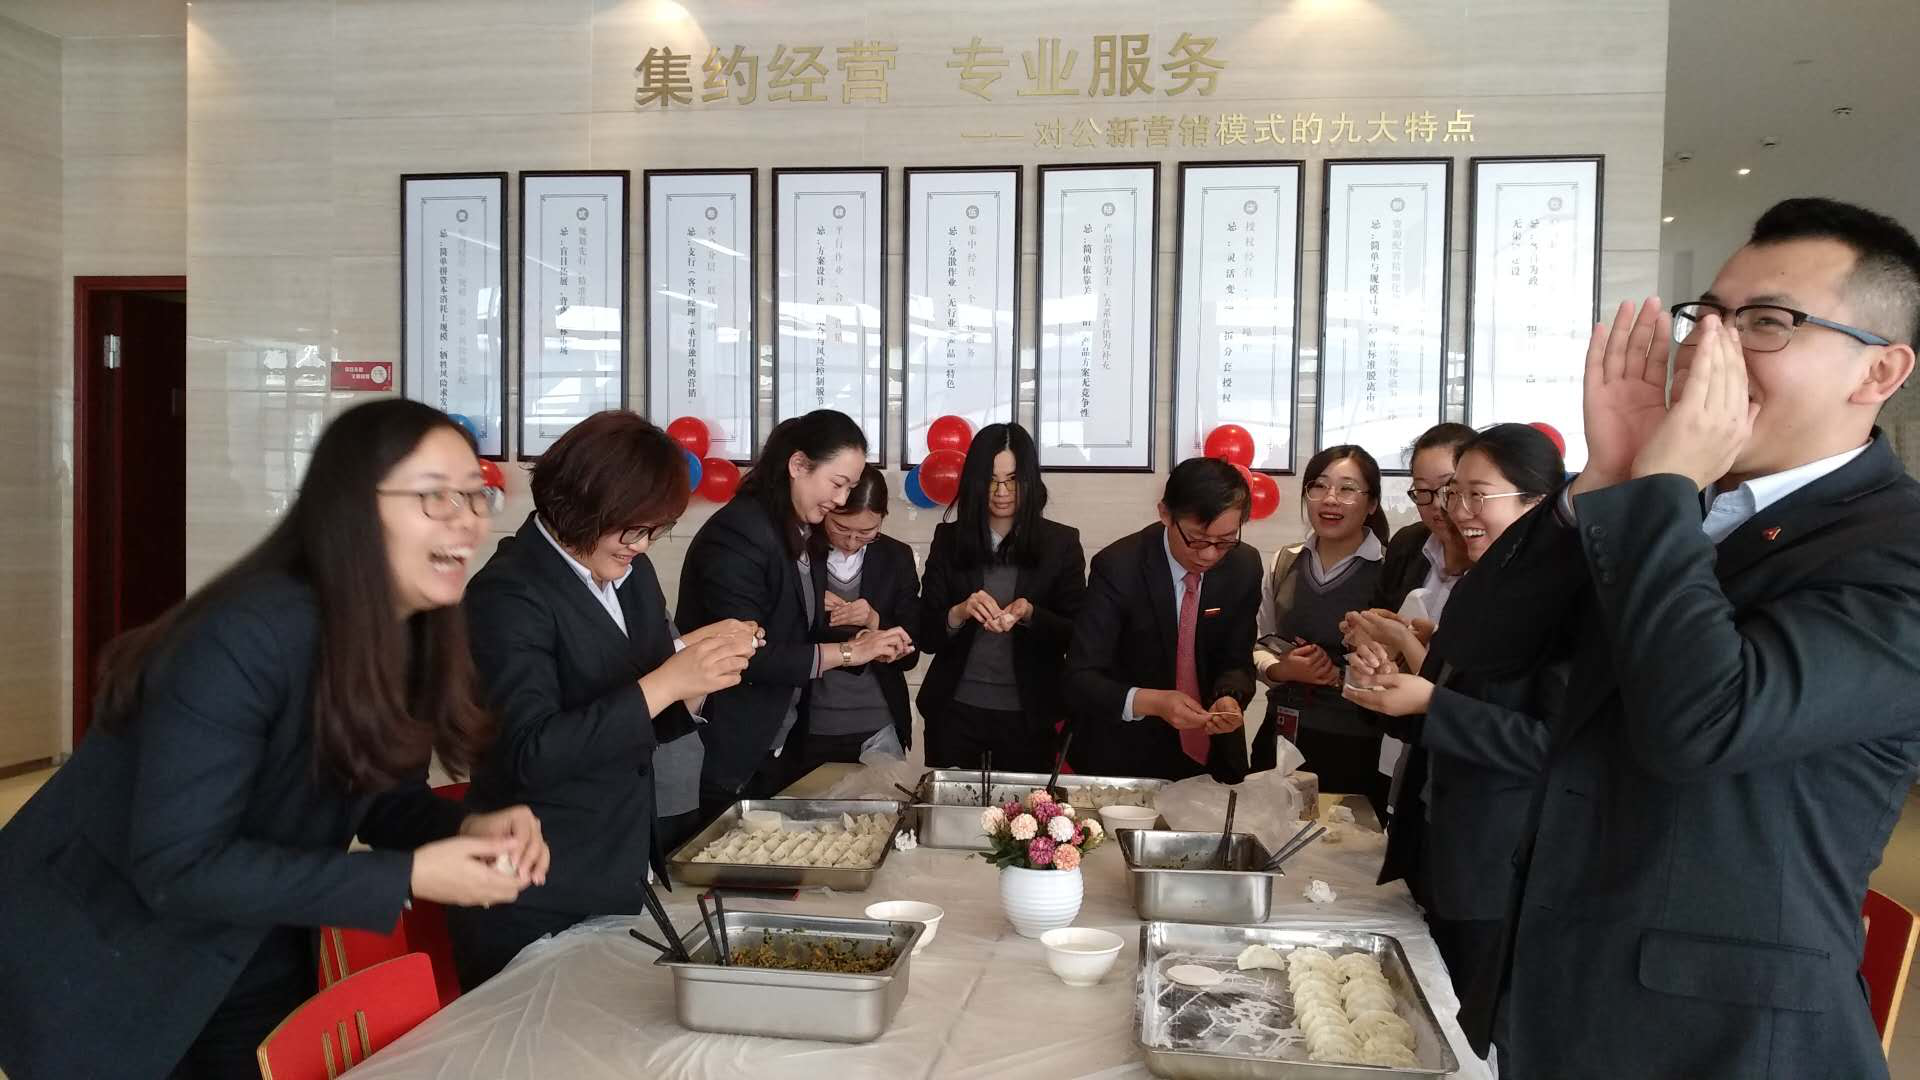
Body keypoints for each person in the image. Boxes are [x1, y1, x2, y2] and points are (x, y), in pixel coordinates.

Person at [1437, 198, 1920, 1077]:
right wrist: (1605, 477)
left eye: (1767, 323)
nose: (1709, 350)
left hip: (1723, 1041)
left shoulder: (1896, 545)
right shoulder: (1675, 505)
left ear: (1878, 370)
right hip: (1561, 999)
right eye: (1709, 318)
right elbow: (1477, 645)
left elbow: (1703, 724)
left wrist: (1655, 492)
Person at [0, 400, 550, 1080]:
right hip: (107, 952)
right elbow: (178, 866)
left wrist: (468, 827)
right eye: (435, 496)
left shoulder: (405, 635)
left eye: (475, 495)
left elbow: (381, 801)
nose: (467, 520)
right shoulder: (244, 636)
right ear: (352, 509)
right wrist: (410, 876)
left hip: (251, 936)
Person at [449, 411, 760, 991]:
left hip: (617, 870)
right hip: (535, 889)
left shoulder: (630, 574)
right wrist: (669, 680)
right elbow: (530, 752)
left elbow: (640, 710)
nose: (641, 546)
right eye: (632, 530)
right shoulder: (509, 592)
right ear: (579, 503)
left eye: (655, 531)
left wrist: (698, 674)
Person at [1340, 423, 1568, 1017]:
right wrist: (1386, 687)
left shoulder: (1571, 601)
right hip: (1435, 848)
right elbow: (1439, 708)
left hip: (1502, 867)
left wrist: (1430, 703)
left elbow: (1558, 746)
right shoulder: (1479, 585)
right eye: (1450, 494)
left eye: (1476, 495)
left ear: (1537, 501)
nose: (1456, 511)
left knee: (1472, 1029)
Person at [678, 410, 913, 821]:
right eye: (837, 484)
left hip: (776, 741)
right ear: (798, 465)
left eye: (850, 488)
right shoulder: (740, 533)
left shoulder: (797, 532)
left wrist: (868, 639)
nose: (841, 500)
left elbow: (792, 630)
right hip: (726, 745)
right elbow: (746, 653)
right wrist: (848, 653)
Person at [1066, 457, 1260, 782]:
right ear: (1165, 514)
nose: (1209, 554)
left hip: (1213, 757)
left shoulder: (1243, 565)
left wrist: (1230, 697)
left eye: (1225, 540)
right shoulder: (1119, 567)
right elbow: (1081, 678)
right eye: (1197, 539)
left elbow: (1237, 660)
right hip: (1127, 758)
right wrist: (1152, 701)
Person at [916, 423, 1086, 773]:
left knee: (1024, 809)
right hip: (955, 712)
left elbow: (1077, 633)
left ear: (1030, 481)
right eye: (991, 480)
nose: (1002, 492)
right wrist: (959, 612)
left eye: (1012, 480)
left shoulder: (1061, 544)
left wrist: (1031, 614)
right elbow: (926, 634)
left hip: (1030, 716)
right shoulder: (949, 540)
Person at [1249, 446, 1391, 805]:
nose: (1330, 499)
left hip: (1356, 742)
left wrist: (1338, 677)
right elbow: (1259, 643)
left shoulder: (1389, 570)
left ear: (1372, 504)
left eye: (1347, 489)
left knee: (1346, 837)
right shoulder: (1284, 561)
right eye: (1319, 486)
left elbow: (1403, 668)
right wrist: (1283, 670)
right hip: (1281, 736)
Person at [795, 465, 922, 772]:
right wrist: (809, 602)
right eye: (841, 527)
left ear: (882, 519)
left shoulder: (896, 556)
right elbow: (778, 636)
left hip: (878, 721)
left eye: (866, 532)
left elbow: (911, 654)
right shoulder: (798, 551)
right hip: (808, 720)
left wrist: (874, 620)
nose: (852, 541)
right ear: (828, 508)